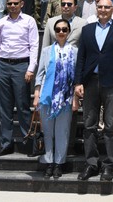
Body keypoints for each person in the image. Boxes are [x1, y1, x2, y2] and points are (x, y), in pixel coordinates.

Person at [74, 0, 113, 182]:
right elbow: (81, 58)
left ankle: (109, 165)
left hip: (112, 83)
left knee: (112, 126)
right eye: (100, 7)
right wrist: (78, 82)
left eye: (107, 7)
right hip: (90, 82)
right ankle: (91, 164)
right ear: (96, 9)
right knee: (89, 125)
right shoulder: (87, 29)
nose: (103, 10)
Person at [0, 0, 39, 157]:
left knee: (23, 106)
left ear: (22, 4)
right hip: (3, 65)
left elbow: (34, 46)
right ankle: (6, 144)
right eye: (9, 3)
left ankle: (29, 142)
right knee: (5, 107)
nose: (12, 6)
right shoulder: (2, 22)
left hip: (21, 65)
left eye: (15, 3)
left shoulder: (29, 21)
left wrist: (31, 68)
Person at [34, 18, 78, 178]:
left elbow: (77, 77)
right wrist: (37, 94)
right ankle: (49, 161)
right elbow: (40, 73)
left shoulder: (74, 51)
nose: (61, 32)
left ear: (68, 32)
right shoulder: (46, 51)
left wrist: (76, 98)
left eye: (64, 29)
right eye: (58, 29)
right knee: (48, 132)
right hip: (47, 96)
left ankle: (59, 163)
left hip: (66, 97)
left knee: (62, 132)